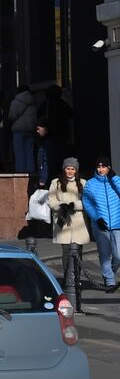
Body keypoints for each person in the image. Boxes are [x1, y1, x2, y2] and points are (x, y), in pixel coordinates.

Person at [82, 156, 120, 293]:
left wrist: (114, 179)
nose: (101, 169)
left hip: (117, 224)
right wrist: (97, 218)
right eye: (99, 166)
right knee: (105, 256)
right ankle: (109, 281)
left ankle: (109, 273)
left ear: (109, 168)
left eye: (104, 166)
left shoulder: (116, 181)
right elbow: (87, 203)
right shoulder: (90, 184)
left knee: (118, 256)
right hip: (100, 226)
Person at [37, 86, 74, 188]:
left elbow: (39, 116)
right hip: (62, 136)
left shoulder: (45, 104)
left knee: (46, 160)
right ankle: (59, 181)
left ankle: (44, 181)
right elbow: (71, 117)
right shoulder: (63, 104)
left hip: (49, 136)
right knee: (60, 161)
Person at [5, 82, 38, 174]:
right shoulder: (33, 101)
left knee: (19, 151)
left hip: (19, 129)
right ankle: (30, 171)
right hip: (30, 129)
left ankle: (21, 171)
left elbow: (12, 115)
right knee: (29, 151)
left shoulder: (17, 101)